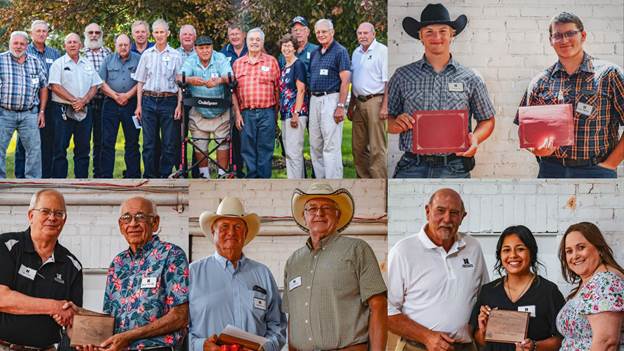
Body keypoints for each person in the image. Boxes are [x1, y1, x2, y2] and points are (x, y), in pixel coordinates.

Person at [388, 3, 496, 178]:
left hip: (455, 166)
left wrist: (475, 138)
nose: (436, 36)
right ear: (420, 36)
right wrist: (394, 124)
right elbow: (386, 119)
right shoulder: (402, 76)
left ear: (452, 35)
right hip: (411, 166)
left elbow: (487, 120)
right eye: (429, 31)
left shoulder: (470, 77)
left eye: (443, 31)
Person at [515, 12, 624, 178]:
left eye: (570, 33)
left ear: (583, 35)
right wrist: (536, 149)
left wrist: (610, 165)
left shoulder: (609, 74)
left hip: (596, 170)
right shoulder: (540, 81)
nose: (564, 40)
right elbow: (525, 130)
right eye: (558, 35)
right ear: (551, 41)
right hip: (551, 170)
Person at [284, 183, 387, 350]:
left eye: (327, 207)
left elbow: (379, 305)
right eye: (312, 208)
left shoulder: (357, 250)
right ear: (304, 216)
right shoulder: (293, 262)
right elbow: (292, 317)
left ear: (338, 216)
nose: (319, 213)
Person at [388, 188, 489, 351]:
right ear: (427, 211)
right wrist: (426, 336)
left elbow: (484, 297)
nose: (447, 219)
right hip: (417, 347)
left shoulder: (473, 247)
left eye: (454, 213)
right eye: (440, 211)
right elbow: (387, 311)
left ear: (463, 217)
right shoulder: (403, 251)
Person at [190, 197, 286, 351]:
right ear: (213, 232)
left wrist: (264, 348)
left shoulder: (263, 274)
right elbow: (179, 329)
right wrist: (201, 345)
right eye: (224, 226)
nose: (231, 233)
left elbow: (278, 326)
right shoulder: (192, 274)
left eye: (237, 227)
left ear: (245, 233)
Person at [99, 196, 189, 349]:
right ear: (121, 226)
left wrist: (129, 336)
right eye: (126, 218)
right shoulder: (117, 263)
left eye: (140, 217)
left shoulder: (171, 255)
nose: (133, 224)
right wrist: (78, 315)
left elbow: (180, 316)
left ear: (155, 223)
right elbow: (108, 319)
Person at [0, 189, 82, 348]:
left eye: (59, 213)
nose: (52, 218)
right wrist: (54, 307)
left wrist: (69, 318)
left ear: (64, 221)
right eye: (45, 211)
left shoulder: (72, 265)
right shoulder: (6, 246)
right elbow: (2, 298)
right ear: (31, 215)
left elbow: (73, 324)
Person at [470, 225, 565, 351]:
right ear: (500, 255)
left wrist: (535, 346)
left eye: (520, 249)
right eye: (506, 250)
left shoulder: (548, 291)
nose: (513, 255)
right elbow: (481, 343)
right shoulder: (488, 291)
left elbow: (561, 339)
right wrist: (483, 330)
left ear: (531, 252)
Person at [556, 222, 624, 350]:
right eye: (569, 251)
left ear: (599, 249)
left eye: (581, 247)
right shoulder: (590, 282)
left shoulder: (605, 281)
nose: (574, 256)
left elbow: (606, 342)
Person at [180, 35, 237, 179]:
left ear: (212, 48)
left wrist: (219, 80)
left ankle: (222, 176)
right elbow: (179, 77)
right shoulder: (191, 60)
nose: (205, 51)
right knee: (200, 146)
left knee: (223, 145)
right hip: (199, 112)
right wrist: (190, 79)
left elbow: (230, 76)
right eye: (201, 48)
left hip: (220, 112)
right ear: (196, 49)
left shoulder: (220, 58)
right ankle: (204, 177)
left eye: (208, 47)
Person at [134, 19, 184, 178]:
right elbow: (140, 81)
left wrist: (179, 105)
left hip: (169, 101)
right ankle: (149, 176)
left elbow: (181, 83)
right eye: (156, 32)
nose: (159, 35)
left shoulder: (176, 55)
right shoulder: (147, 55)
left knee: (169, 143)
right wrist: (139, 106)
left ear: (168, 33)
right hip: (148, 101)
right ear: (152, 34)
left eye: (162, 32)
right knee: (149, 143)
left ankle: (165, 175)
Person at [49, 32, 103, 178]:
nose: (72, 44)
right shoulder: (58, 64)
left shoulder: (87, 63)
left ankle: (82, 182)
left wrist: (83, 101)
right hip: (62, 110)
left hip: (85, 110)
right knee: (60, 148)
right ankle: (59, 183)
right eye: (69, 42)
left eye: (75, 42)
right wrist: (74, 101)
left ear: (80, 45)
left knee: (83, 149)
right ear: (65, 45)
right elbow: (54, 86)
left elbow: (95, 85)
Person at [15, 20, 61, 179]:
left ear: (48, 33)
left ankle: (45, 177)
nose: (41, 34)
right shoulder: (23, 50)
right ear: (32, 33)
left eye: (44, 31)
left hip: (51, 104)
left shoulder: (55, 54)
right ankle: (21, 178)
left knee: (48, 142)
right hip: (28, 103)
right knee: (25, 143)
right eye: (38, 31)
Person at [232, 27, 280, 179]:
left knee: (265, 149)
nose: (254, 42)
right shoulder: (238, 64)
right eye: (251, 40)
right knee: (247, 150)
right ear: (247, 42)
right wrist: (237, 114)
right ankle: (251, 183)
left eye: (258, 40)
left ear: (262, 42)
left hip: (267, 112)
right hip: (246, 113)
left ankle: (265, 183)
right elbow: (232, 92)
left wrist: (275, 114)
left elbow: (278, 89)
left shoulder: (271, 61)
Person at [0, 31, 48, 179]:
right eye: (16, 43)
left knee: (34, 150)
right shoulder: (1, 60)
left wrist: (41, 112)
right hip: (4, 113)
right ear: (10, 43)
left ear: (27, 45)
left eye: (22, 43)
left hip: (29, 113)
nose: (19, 46)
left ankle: (33, 183)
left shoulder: (35, 62)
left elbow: (44, 86)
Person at [308, 19, 351, 179]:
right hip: (314, 100)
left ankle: (334, 182)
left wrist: (340, 106)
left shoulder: (340, 51)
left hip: (331, 99)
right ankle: (321, 181)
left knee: (331, 145)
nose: (321, 35)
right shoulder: (315, 53)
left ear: (332, 32)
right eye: (318, 32)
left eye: (324, 31)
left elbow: (345, 80)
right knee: (315, 144)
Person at [349, 22, 388, 179]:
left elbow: (388, 82)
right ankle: (364, 181)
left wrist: (385, 106)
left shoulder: (382, 51)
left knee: (377, 148)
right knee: (358, 148)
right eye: (360, 33)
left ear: (373, 34)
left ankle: (379, 181)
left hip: (375, 102)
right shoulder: (356, 53)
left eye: (366, 33)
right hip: (358, 102)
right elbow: (355, 80)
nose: (363, 36)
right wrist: (351, 105)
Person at [98, 34, 141, 178]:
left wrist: (127, 96)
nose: (123, 47)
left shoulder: (138, 59)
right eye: (120, 45)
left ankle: (133, 175)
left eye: (126, 45)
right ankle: (105, 176)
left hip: (132, 104)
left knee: (132, 142)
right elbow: (101, 82)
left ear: (130, 45)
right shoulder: (108, 59)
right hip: (110, 103)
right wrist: (116, 96)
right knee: (107, 142)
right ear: (116, 45)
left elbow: (141, 81)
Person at [278, 34, 308, 179]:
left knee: (295, 152)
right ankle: (294, 180)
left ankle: (296, 182)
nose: (286, 48)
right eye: (284, 45)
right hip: (285, 115)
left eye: (289, 45)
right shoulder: (284, 67)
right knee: (289, 152)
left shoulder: (298, 65)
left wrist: (296, 113)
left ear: (295, 48)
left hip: (296, 114)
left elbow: (301, 90)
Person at [83, 23, 111, 178]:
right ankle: (82, 176)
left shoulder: (108, 53)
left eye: (97, 32)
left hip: (104, 102)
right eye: (90, 32)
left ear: (101, 34)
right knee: (83, 141)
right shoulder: (79, 52)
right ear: (85, 34)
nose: (94, 35)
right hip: (84, 104)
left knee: (101, 140)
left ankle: (99, 175)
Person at [221, 23, 248, 178]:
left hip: (247, 98)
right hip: (230, 99)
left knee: (247, 134)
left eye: (237, 34)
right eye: (231, 34)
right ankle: (236, 169)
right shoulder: (223, 53)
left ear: (243, 34)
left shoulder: (250, 48)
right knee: (233, 136)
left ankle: (250, 167)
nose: (234, 37)